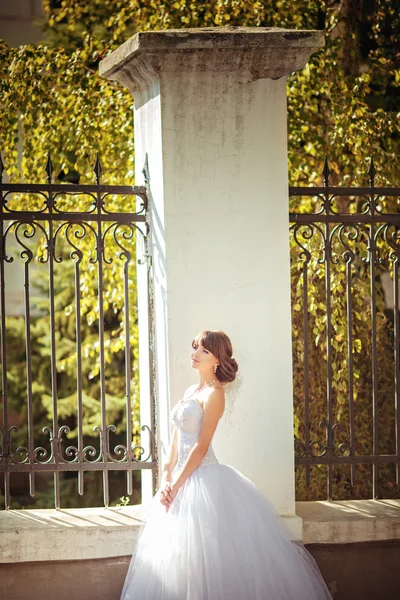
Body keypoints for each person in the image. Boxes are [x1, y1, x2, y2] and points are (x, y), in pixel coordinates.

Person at [120, 329, 332, 600]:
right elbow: (175, 440)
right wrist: (165, 478)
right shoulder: (190, 391)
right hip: (177, 481)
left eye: (204, 351)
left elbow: (201, 446)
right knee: (175, 558)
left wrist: (177, 484)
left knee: (207, 560)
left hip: (202, 479)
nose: (195, 354)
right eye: (196, 347)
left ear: (217, 360)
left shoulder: (215, 394)